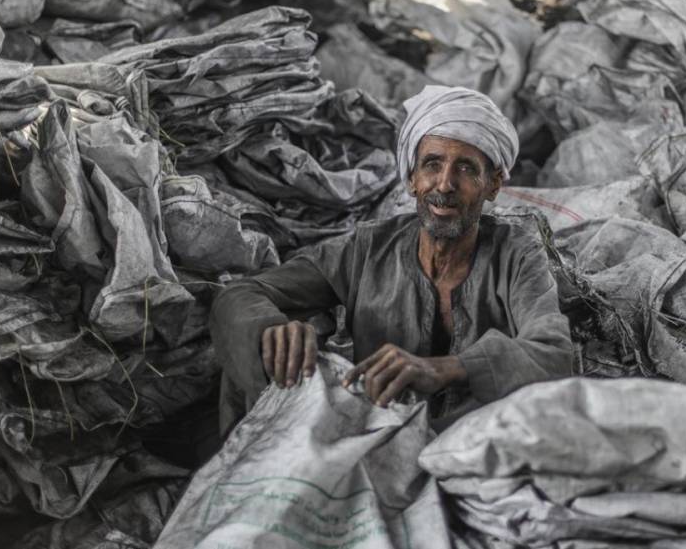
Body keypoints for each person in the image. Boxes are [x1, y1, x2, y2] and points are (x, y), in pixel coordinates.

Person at [209, 85, 574, 435]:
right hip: (376, 438)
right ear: (412, 178)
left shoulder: (516, 255)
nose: (444, 184)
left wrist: (449, 369)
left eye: (465, 169)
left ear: (493, 185)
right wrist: (272, 328)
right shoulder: (369, 248)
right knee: (259, 352)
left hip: (475, 447)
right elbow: (240, 295)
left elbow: (553, 353)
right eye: (432, 164)